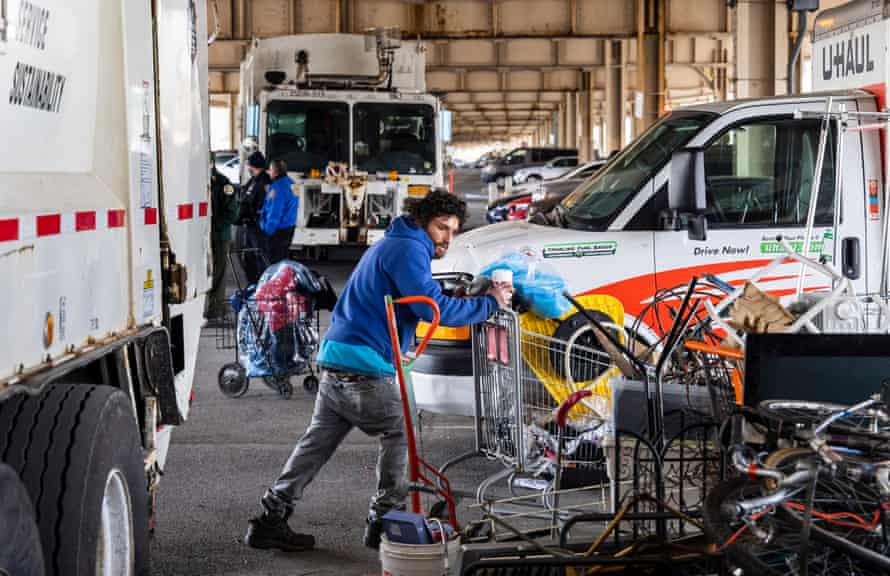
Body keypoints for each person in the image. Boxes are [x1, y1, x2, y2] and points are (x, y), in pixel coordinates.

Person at [244, 191, 513, 553]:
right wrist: (489, 303)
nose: (447, 238)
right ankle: (385, 520)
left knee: (315, 445)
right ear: (422, 221)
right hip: (364, 367)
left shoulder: (396, 241)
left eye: (453, 230)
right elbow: (434, 309)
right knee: (401, 432)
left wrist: (453, 292)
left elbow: (422, 292)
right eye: (441, 228)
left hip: (337, 359)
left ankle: (269, 519)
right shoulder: (409, 248)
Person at [206, 163, 240, 320]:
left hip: (219, 236)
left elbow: (232, 213)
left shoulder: (224, 184)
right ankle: (206, 307)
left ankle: (216, 309)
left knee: (218, 273)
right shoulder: (201, 181)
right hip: (203, 236)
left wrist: (214, 226)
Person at [236, 151, 271, 284]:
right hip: (249, 226)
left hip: (258, 227)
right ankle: (253, 285)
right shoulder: (253, 180)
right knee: (249, 257)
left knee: (260, 257)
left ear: (255, 165)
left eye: (250, 165)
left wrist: (254, 214)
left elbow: (264, 204)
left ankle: (262, 285)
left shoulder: (265, 182)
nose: (248, 168)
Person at [260, 159, 298, 265]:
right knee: (282, 261)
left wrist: (267, 231)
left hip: (277, 231)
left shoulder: (277, 188)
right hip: (289, 228)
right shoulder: (292, 184)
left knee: (273, 263)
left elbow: (274, 212)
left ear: (276, 172)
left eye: (270, 170)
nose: (268, 172)